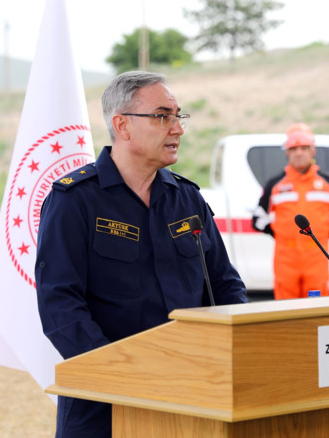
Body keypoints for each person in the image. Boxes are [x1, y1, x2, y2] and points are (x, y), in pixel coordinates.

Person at [35, 71, 247, 437]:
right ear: (122, 125)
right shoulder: (75, 200)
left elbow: (225, 286)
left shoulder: (187, 198)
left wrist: (231, 352)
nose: (177, 129)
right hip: (104, 401)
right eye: (162, 116)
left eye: (178, 116)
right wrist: (121, 372)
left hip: (190, 394)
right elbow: (60, 304)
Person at [252, 123, 329, 299]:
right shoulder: (275, 184)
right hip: (285, 259)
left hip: (316, 258)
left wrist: (322, 234)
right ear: (287, 152)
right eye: (293, 149)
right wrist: (281, 234)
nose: (299, 153)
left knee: (317, 307)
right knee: (285, 309)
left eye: (304, 148)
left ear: (313, 151)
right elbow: (257, 219)